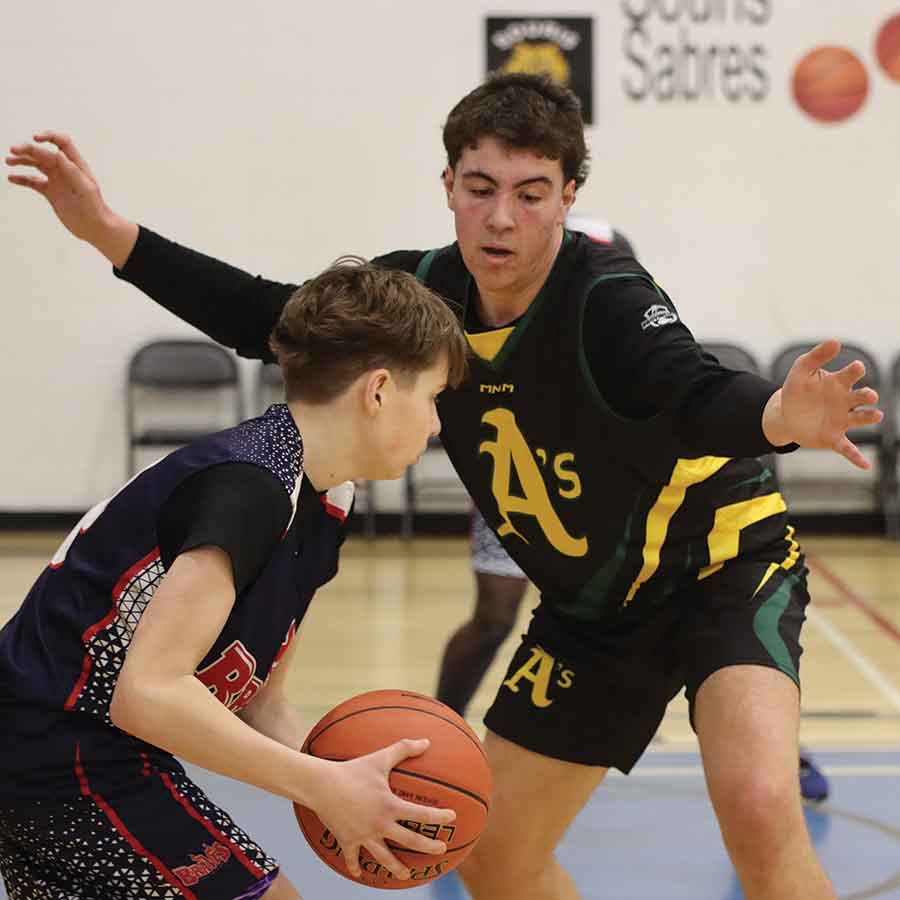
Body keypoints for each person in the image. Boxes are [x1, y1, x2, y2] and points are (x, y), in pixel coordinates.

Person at [6, 72, 881, 899]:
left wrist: (776, 418)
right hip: (597, 609)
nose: (501, 217)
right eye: (479, 187)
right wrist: (109, 234)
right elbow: (270, 315)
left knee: (762, 804)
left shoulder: (606, 297)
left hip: (718, 571)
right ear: (449, 185)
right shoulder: (419, 298)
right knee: (495, 854)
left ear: (568, 197)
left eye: (531, 193)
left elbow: (692, 391)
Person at [0, 258, 468, 899]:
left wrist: (349, 779)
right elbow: (149, 693)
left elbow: (256, 699)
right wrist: (319, 785)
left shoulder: (327, 497)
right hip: (58, 747)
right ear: (379, 389)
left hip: (72, 747)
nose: (438, 424)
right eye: (434, 398)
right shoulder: (253, 488)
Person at [435, 214, 831, 805]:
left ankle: (772, 748)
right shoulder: (496, 331)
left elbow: (707, 401)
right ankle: (439, 729)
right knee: (494, 617)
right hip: (521, 496)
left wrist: (776, 416)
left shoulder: (631, 338)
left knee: (718, 631)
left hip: (631, 527)